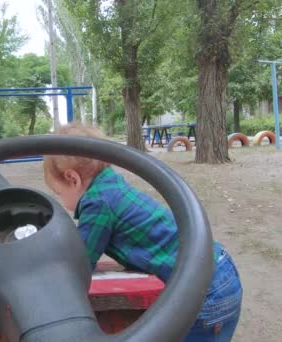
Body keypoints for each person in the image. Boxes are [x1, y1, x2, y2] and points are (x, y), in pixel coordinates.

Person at [43, 123, 243, 341]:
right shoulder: (112, 186)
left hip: (205, 289)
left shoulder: (97, 202)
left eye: (59, 193)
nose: (63, 201)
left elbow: (80, 264)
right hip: (217, 270)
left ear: (73, 179)